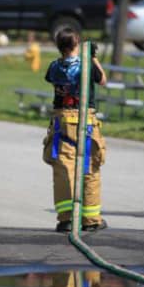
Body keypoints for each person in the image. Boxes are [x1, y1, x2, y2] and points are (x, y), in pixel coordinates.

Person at [43, 28, 108, 233]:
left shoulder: (54, 66)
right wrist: (93, 58)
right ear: (77, 43)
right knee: (90, 168)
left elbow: (51, 78)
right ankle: (91, 219)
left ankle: (66, 219)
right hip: (85, 123)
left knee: (63, 171)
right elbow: (102, 79)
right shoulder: (85, 66)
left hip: (61, 122)